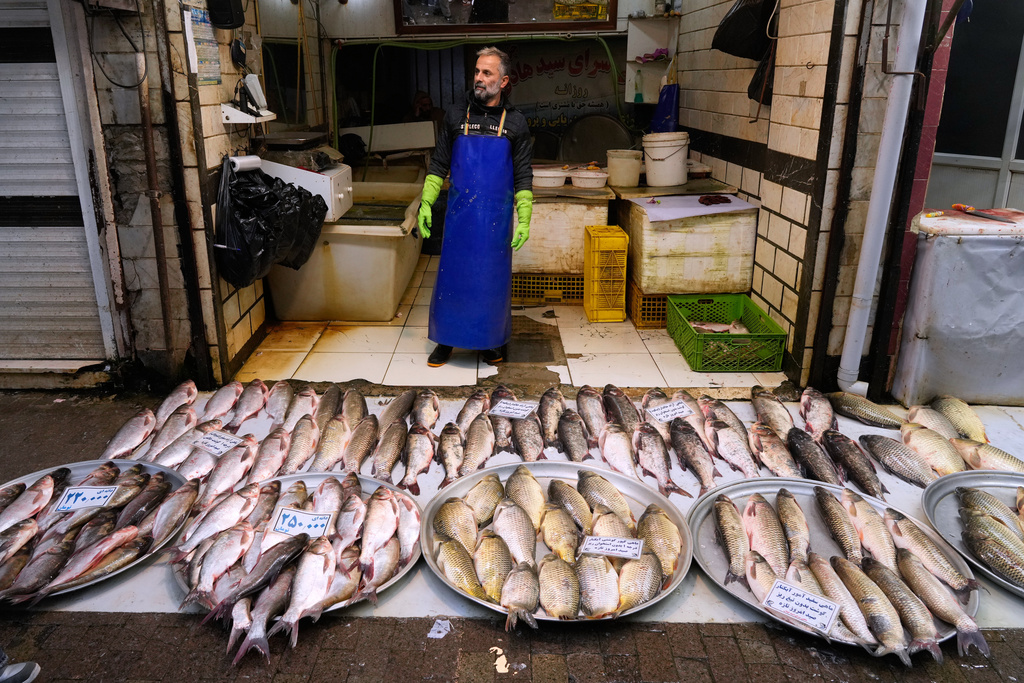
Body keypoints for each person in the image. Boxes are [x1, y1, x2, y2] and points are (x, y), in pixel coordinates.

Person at [416, 46, 534, 368]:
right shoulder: (456, 115)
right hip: (460, 218)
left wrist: (524, 217)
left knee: (490, 281)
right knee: (453, 279)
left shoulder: (516, 123)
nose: (479, 78)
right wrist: (426, 202)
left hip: (496, 220)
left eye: (487, 73)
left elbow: (523, 173)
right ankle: (446, 340)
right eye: (477, 71)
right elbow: (439, 164)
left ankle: (490, 340)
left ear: (503, 81)